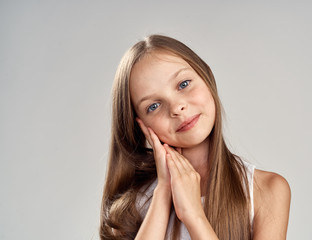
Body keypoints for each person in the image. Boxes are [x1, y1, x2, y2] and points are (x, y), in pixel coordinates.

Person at [100, 34, 291, 240]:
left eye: (183, 84)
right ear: (140, 125)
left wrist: (194, 215)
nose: (177, 108)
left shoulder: (267, 191)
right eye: (153, 106)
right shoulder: (134, 205)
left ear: (207, 77)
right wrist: (163, 193)